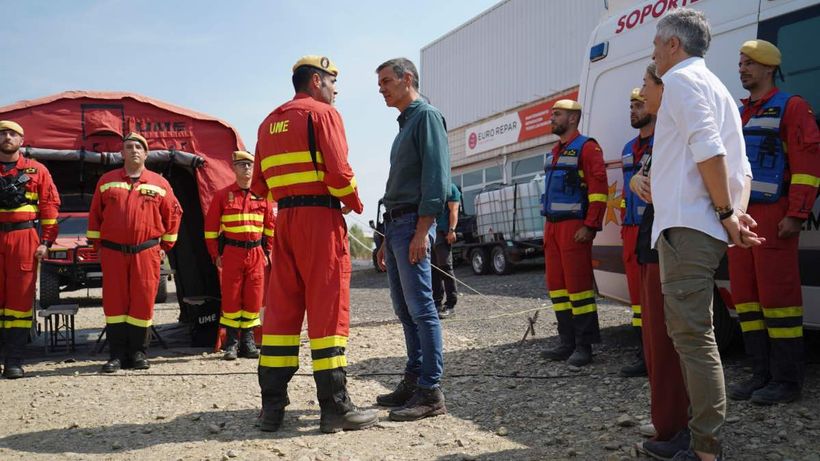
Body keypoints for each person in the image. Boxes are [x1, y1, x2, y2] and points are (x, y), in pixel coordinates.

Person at [649, 9, 763, 461]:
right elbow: (741, 165)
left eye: (657, 44)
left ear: (674, 44)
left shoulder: (679, 80)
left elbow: (710, 151)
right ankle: (699, 438)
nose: (654, 53)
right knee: (697, 336)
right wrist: (735, 213)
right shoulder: (717, 86)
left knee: (694, 339)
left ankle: (704, 450)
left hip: (690, 227)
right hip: (704, 226)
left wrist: (726, 213)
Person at [251, 55, 377, 434]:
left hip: (284, 222)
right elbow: (339, 174)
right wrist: (354, 202)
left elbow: (258, 187)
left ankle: (271, 409)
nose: (335, 90)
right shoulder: (323, 115)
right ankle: (335, 407)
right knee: (328, 314)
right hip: (320, 222)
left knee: (280, 317)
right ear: (317, 80)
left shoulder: (267, 122)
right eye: (333, 82)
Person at [726, 40, 820, 406]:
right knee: (746, 298)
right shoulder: (739, 112)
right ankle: (760, 374)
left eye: (749, 63)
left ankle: (787, 381)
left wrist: (796, 214)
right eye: (740, 63)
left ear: (768, 68)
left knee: (778, 299)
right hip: (740, 217)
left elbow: (808, 165)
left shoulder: (791, 107)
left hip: (772, 216)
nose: (742, 69)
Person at [375, 57, 449, 421]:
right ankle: (414, 379)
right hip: (396, 226)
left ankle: (430, 391)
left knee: (422, 309)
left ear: (407, 79)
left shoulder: (426, 117)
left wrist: (423, 230)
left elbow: (436, 179)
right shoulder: (405, 123)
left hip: (411, 225)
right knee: (405, 310)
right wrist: (384, 239)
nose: (382, 89)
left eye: (387, 81)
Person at [633, 64, 692, 460]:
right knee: (656, 343)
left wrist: (645, 183)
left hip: (668, 245)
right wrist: (639, 181)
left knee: (670, 344)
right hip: (653, 243)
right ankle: (667, 419)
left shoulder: (674, 133)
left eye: (644, 86)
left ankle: (676, 427)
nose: (639, 93)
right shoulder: (662, 137)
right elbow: (646, 180)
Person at [87, 132, 182, 373]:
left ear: (146, 154)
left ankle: (139, 353)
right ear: (122, 153)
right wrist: (98, 248)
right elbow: (95, 216)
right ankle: (117, 355)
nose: (134, 151)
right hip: (113, 253)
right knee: (115, 303)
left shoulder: (159, 184)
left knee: (142, 301)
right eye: (129, 147)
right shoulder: (107, 180)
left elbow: (173, 215)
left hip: (146, 252)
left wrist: (164, 246)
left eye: (139, 147)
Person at [539, 99, 608, 367]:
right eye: (552, 114)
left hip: (573, 228)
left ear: (573, 118)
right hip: (553, 228)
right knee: (557, 287)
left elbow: (599, 189)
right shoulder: (556, 151)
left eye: (557, 114)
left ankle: (584, 346)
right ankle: (566, 342)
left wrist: (590, 225)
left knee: (578, 288)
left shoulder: (587, 147)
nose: (552, 118)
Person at [0, 120, 60, 379]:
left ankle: (14, 360)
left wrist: (45, 242)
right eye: (2, 133)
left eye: (12, 134)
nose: (7, 137)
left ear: (21, 140)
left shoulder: (37, 170)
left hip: (24, 237)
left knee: (20, 300)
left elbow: (49, 209)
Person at [204, 150, 275, 361]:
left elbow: (270, 227)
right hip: (232, 252)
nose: (246, 169)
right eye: (241, 165)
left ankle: (249, 342)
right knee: (232, 298)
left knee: (253, 298)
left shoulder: (263, 196)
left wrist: (267, 251)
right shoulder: (222, 195)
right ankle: (232, 343)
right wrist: (215, 253)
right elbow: (210, 229)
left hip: (255, 252)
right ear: (233, 168)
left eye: (249, 165)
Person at [619, 88, 652, 378]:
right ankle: (643, 352)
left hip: (654, 228)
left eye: (639, 105)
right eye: (631, 105)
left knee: (655, 294)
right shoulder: (629, 148)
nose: (633, 110)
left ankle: (658, 353)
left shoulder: (663, 141)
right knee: (637, 298)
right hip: (630, 229)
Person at [432, 183, 460, 319]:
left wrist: (452, 230)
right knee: (433, 270)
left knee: (445, 268)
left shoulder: (451, 188)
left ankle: (450, 305)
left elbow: (454, 210)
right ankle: (436, 302)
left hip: (443, 233)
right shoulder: (431, 187)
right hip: (430, 233)